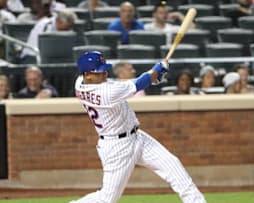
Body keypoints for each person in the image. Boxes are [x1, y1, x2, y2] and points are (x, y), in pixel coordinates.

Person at [69, 51, 207, 203]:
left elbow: (135, 83)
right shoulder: (105, 93)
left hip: (138, 137)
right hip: (117, 147)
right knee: (107, 198)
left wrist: (153, 75)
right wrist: (157, 70)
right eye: (100, 72)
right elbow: (139, 83)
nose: (104, 74)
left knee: (173, 165)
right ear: (87, 75)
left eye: (105, 70)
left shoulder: (80, 83)